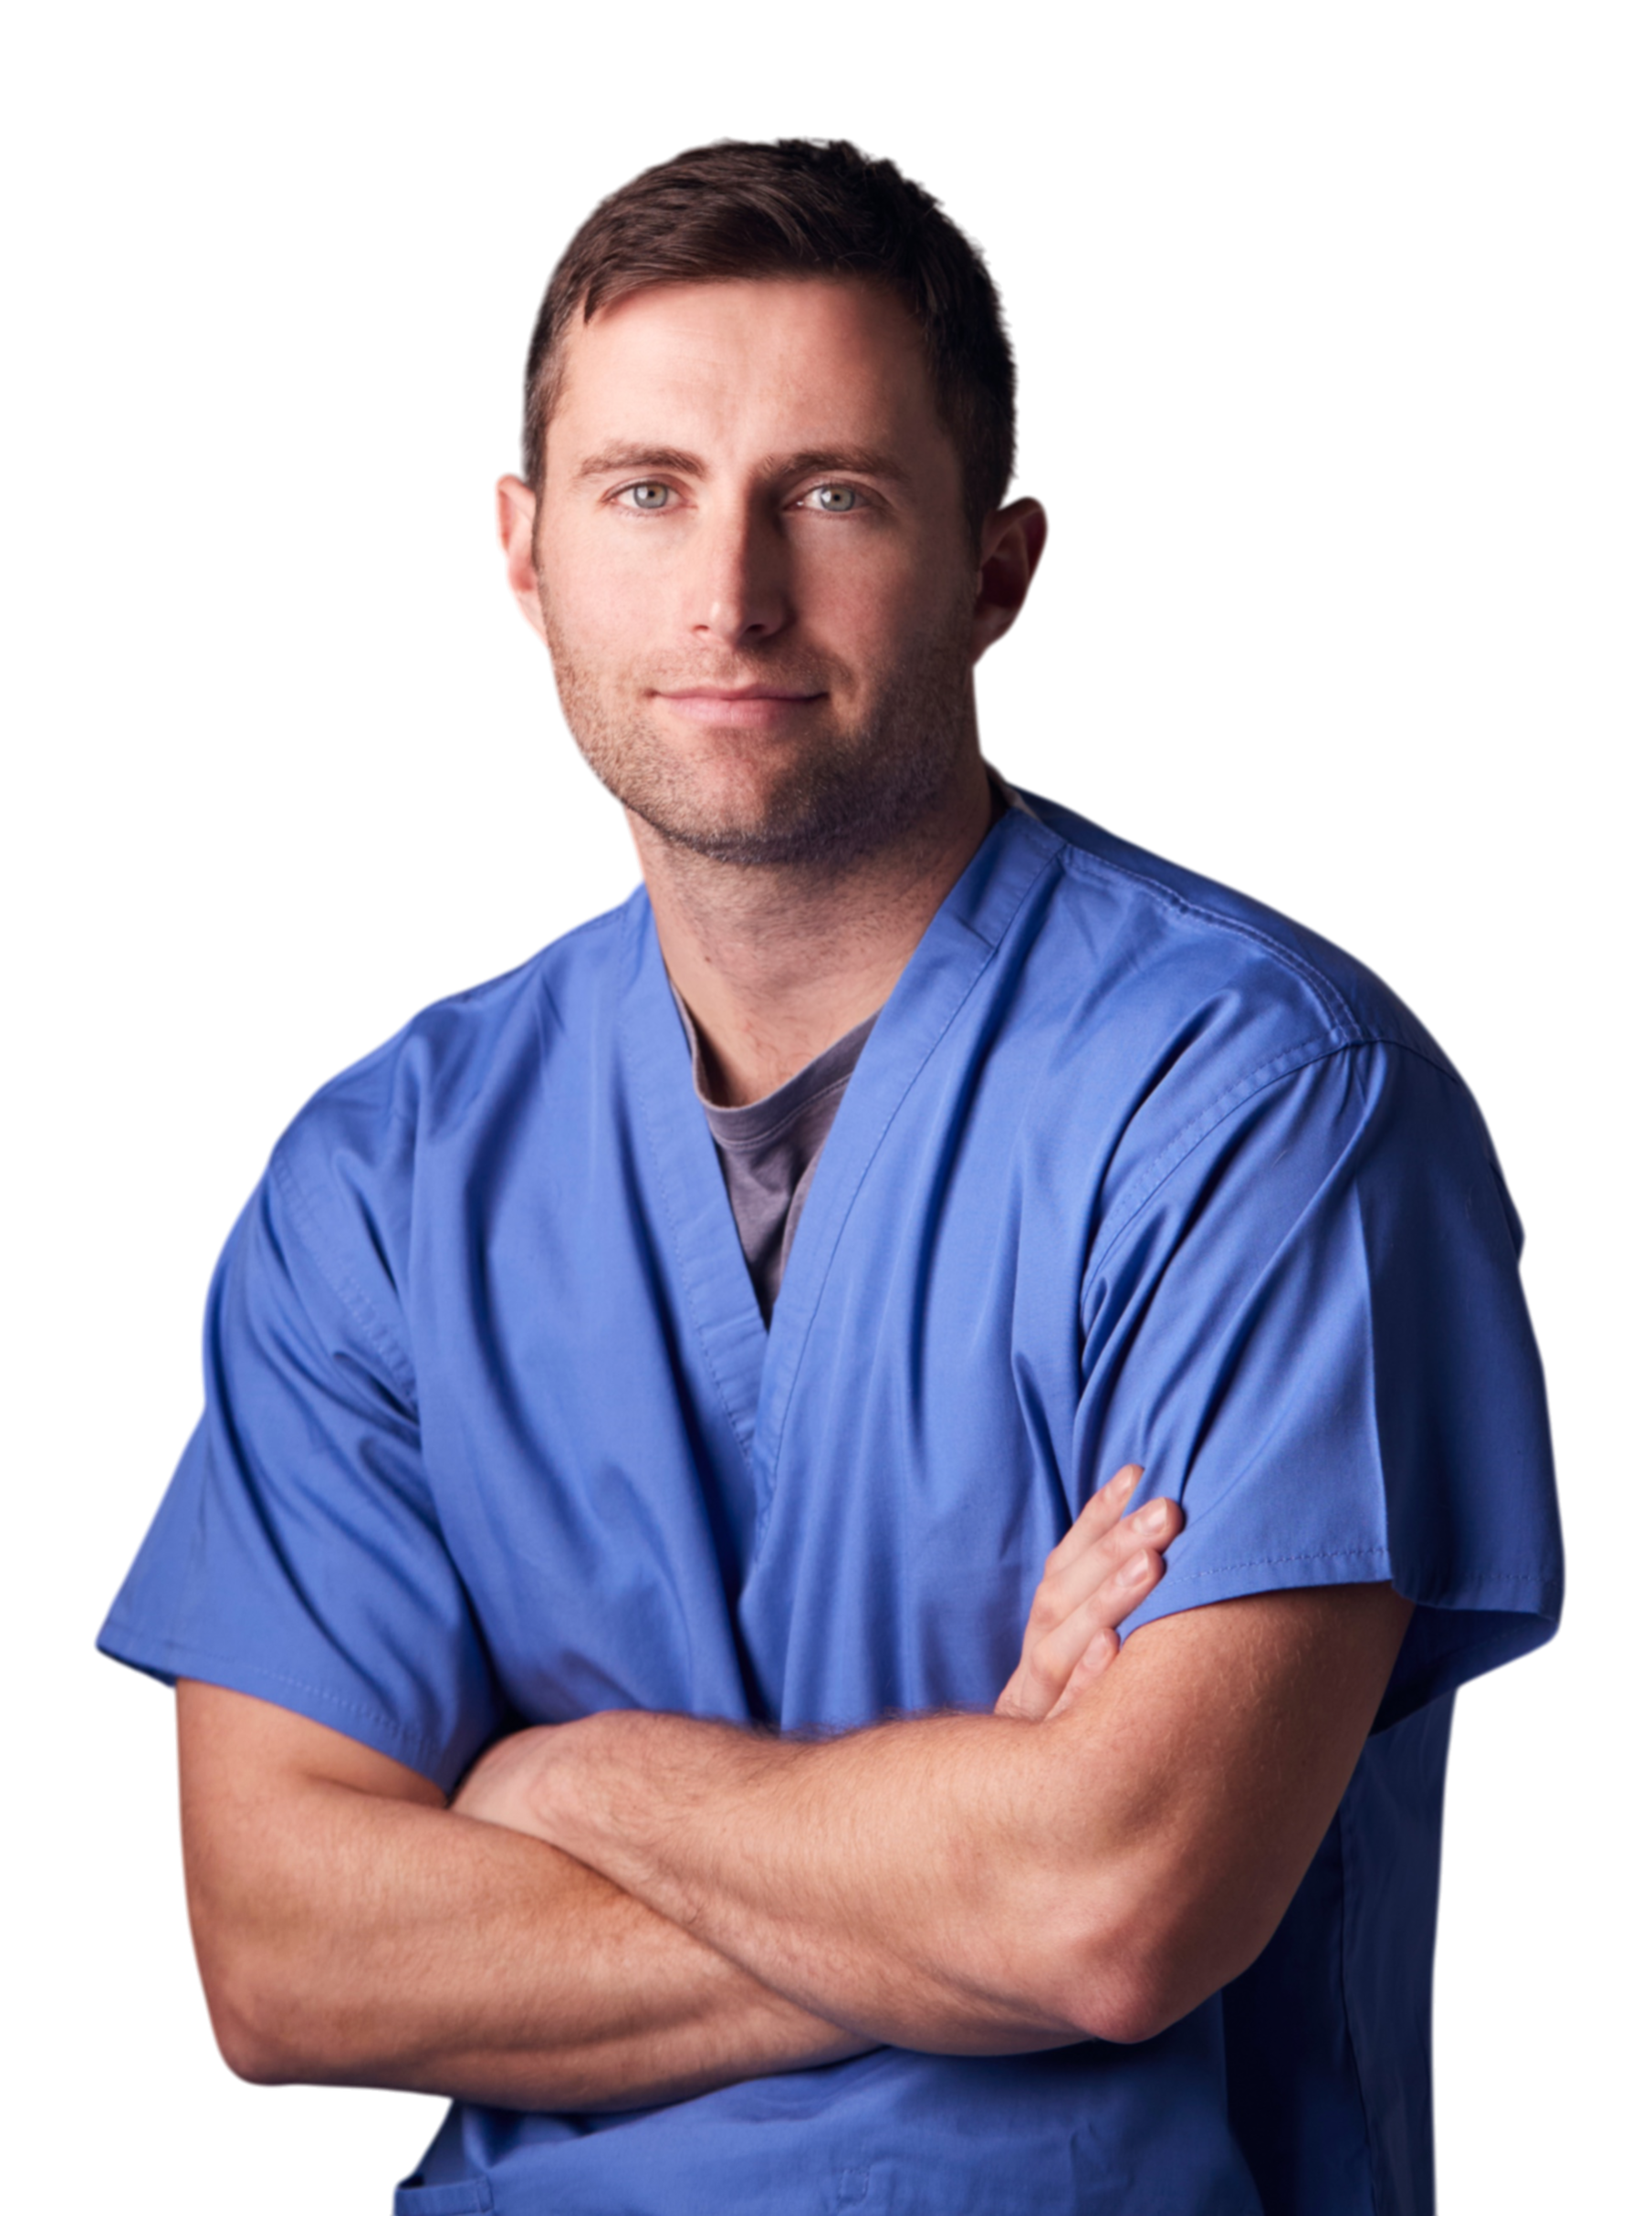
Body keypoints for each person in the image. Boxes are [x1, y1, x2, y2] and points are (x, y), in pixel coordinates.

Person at [96, 136, 1563, 2214]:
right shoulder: (382, 1174)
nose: (729, 594)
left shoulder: (1258, 1104)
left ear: (997, 567)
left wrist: (553, 1780)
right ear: (522, 557)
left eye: (834, 492)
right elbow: (280, 1954)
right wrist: (953, 1841)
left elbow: (1112, 1905)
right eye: (646, 491)